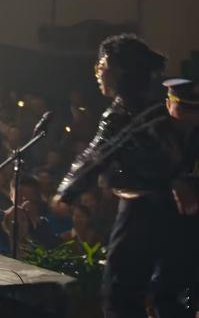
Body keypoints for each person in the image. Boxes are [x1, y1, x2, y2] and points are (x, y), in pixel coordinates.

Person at [56, 34, 190, 318]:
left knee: (120, 295)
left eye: (101, 65)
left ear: (118, 70)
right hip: (178, 213)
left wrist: (66, 191)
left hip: (141, 210)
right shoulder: (161, 104)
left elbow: (98, 153)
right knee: (167, 297)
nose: (97, 72)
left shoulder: (124, 112)